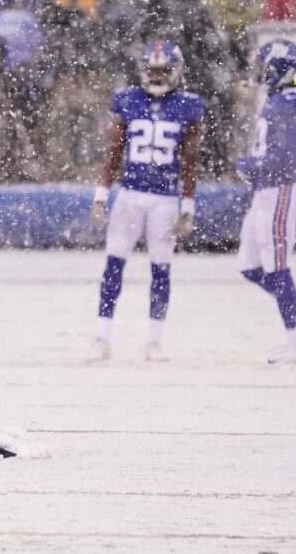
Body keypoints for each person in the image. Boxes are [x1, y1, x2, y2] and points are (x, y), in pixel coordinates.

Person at [88, 41, 205, 362]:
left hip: (165, 200)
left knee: (161, 268)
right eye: (152, 70)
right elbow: (113, 154)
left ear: (175, 71)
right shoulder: (128, 101)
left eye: (163, 70)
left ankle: (154, 340)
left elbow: (190, 161)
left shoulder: (187, 106)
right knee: (114, 265)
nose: (156, 76)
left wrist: (187, 206)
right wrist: (101, 196)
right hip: (129, 195)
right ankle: (102, 335)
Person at [236, 39, 296, 364]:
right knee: (250, 267)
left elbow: (285, 160)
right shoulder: (278, 98)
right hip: (266, 191)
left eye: (265, 66)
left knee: (277, 267)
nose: (261, 73)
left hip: (281, 190)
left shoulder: (292, 99)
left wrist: (250, 165)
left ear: (279, 67)